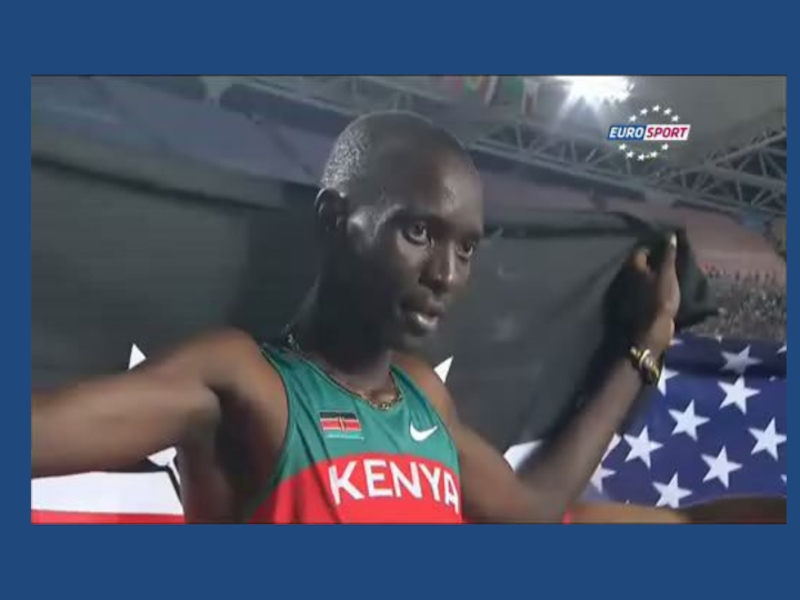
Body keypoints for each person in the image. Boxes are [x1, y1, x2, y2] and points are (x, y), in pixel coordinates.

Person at [31, 111, 680, 524]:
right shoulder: (246, 382)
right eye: (419, 232)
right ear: (335, 220)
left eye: (467, 248)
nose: (446, 275)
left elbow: (531, 511)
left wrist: (645, 346)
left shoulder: (424, 396)